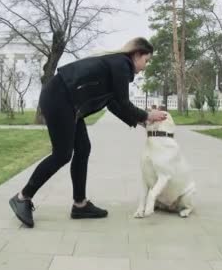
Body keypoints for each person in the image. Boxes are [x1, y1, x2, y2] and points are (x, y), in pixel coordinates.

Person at [9, 37, 168, 228]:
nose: (145, 66)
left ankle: (80, 204)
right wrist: (148, 115)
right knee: (62, 154)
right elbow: (124, 103)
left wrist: (142, 119)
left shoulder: (117, 65)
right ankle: (22, 197)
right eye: (146, 60)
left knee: (83, 148)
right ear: (136, 54)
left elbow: (114, 104)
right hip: (60, 98)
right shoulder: (121, 64)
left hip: (68, 101)